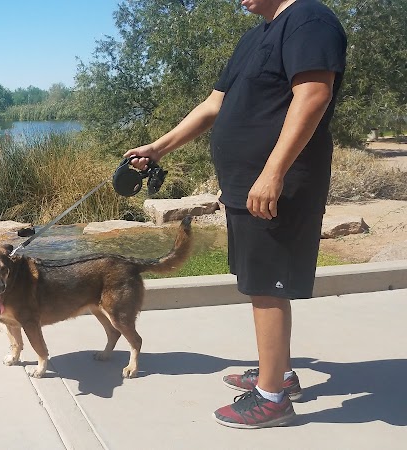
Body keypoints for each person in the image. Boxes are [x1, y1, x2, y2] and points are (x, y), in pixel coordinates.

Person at [123, 0, 347, 428]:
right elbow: (213, 106)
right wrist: (157, 148)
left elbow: (315, 94)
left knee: (268, 283)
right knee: (258, 280)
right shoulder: (256, 36)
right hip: (248, 183)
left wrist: (273, 172)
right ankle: (276, 372)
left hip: (278, 182)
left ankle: (272, 398)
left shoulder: (309, 20)